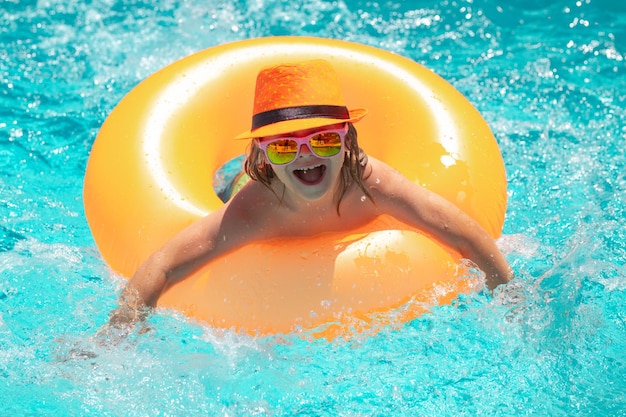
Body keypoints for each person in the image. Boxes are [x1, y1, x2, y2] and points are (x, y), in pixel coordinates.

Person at [109, 59, 513, 326]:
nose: (305, 155)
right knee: (234, 182)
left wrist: (509, 294)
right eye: (285, 145)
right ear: (264, 155)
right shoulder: (255, 210)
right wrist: (118, 332)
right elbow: (164, 264)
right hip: (247, 183)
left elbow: (461, 231)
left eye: (323, 140)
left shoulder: (370, 183)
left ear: (347, 142)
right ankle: (242, 168)